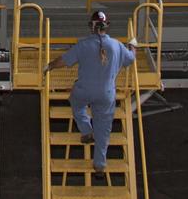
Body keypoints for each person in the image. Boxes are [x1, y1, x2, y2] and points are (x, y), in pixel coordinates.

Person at [45, 10, 137, 174]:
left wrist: (49, 66)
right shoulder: (117, 46)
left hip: (83, 91)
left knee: (76, 102)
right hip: (106, 94)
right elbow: (130, 59)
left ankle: (86, 130)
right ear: (106, 26)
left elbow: (63, 61)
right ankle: (100, 164)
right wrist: (133, 46)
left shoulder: (83, 45)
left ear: (91, 27)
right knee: (103, 128)